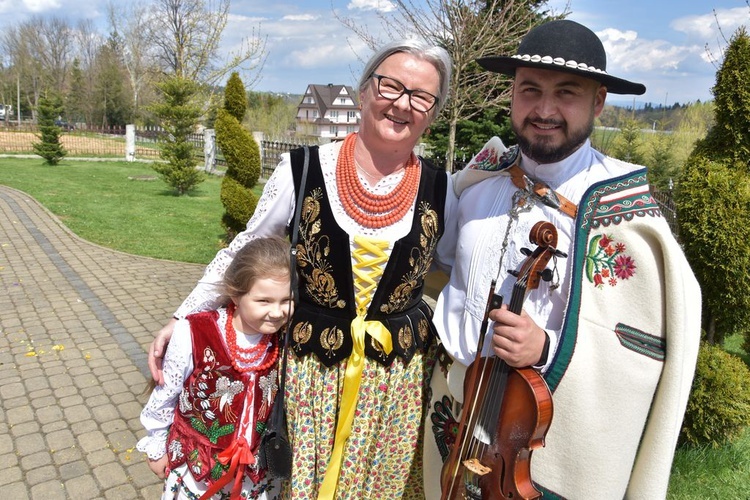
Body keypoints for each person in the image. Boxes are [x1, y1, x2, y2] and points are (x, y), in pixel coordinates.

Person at [149, 39, 458, 499]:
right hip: (309, 373)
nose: (402, 104)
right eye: (390, 86)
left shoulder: (441, 187)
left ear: (432, 113)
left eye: (421, 96)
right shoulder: (303, 169)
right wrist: (184, 315)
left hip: (395, 383)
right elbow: (247, 248)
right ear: (364, 91)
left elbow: (459, 269)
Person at [424, 19, 701, 499]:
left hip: (540, 441)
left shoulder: (624, 214)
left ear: (598, 102)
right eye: (530, 90)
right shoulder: (474, 185)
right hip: (453, 419)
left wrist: (546, 346)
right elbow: (435, 275)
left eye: (566, 93)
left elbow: (641, 350)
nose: (545, 109)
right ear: (512, 93)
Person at [137, 236, 294, 499]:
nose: (277, 312)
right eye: (264, 301)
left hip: (255, 473)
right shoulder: (195, 332)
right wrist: (156, 447)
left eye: (286, 300)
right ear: (235, 292)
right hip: (197, 468)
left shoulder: (286, 338)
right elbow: (166, 395)